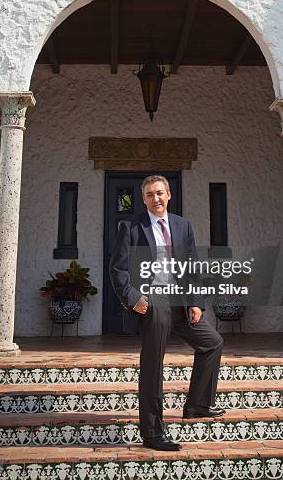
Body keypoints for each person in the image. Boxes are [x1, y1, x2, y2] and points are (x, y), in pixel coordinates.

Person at [109, 174, 224, 451]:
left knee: (212, 343)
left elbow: (192, 265)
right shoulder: (130, 226)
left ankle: (197, 404)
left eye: (160, 193)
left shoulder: (182, 226)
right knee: (153, 364)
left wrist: (196, 302)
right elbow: (117, 268)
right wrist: (133, 298)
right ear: (144, 199)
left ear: (169, 195)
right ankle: (152, 433)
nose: (156, 199)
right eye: (150, 195)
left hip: (181, 302)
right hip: (153, 302)